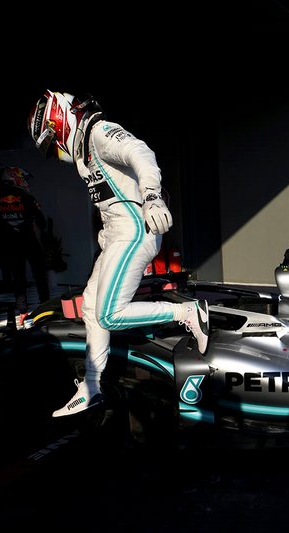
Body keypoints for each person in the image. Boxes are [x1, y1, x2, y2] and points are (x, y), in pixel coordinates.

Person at [27, 90, 209, 417]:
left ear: (59, 121)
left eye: (52, 144)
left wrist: (152, 196)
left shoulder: (98, 132)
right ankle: (93, 387)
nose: (56, 153)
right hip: (116, 235)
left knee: (110, 313)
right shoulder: (83, 154)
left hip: (134, 230)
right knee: (92, 307)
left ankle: (188, 313)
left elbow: (140, 152)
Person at [0, 167, 51, 323]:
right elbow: (41, 221)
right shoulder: (26, 197)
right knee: (39, 274)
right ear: (15, 178)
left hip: (10, 244)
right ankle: (46, 306)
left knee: (18, 277)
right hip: (29, 241)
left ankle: (22, 312)